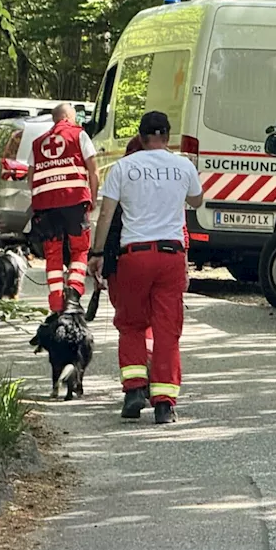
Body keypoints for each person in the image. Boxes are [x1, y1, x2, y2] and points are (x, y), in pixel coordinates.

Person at [88, 111, 203, 425]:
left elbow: (107, 215)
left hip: (133, 256)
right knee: (167, 331)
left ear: (139, 137)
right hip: (171, 256)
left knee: (131, 324)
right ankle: (165, 404)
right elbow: (197, 200)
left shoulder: (124, 167)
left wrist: (96, 253)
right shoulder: (183, 165)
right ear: (167, 136)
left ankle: (134, 390)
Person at [29, 103, 99, 312]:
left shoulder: (38, 143)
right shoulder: (79, 135)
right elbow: (93, 170)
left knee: (53, 254)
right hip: (74, 202)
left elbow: (31, 178)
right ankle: (74, 294)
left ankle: (56, 303)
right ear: (70, 117)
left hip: (46, 206)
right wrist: (93, 198)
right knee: (79, 249)